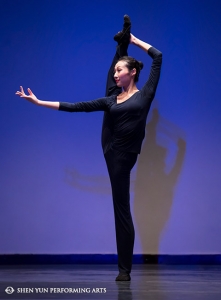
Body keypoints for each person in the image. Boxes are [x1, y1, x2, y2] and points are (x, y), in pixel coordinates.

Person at [15, 15, 162, 281]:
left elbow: (158, 56)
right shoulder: (112, 99)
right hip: (110, 144)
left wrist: (133, 40)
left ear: (134, 72)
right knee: (109, 96)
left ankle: (124, 270)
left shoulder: (146, 94)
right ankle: (121, 44)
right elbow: (77, 106)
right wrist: (39, 103)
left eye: (121, 70)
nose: (116, 73)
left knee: (122, 210)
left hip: (124, 156)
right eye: (116, 70)